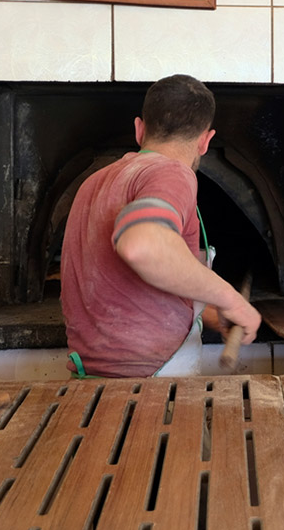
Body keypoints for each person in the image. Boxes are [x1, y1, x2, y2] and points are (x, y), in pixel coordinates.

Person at [61, 74, 261, 377]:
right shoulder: (171, 173)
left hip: (89, 382)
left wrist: (207, 312)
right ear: (205, 140)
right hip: (151, 386)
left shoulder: (93, 183)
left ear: (139, 129)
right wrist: (231, 299)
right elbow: (143, 246)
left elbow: (117, 287)